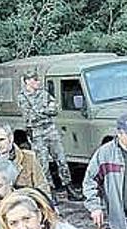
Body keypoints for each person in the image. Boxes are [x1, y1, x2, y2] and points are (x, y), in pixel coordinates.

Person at [16, 71, 83, 201]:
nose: (38, 82)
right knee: (43, 165)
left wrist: (43, 111)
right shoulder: (22, 97)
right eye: (34, 80)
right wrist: (45, 111)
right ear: (27, 82)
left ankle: (69, 188)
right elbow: (30, 115)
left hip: (50, 130)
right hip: (36, 133)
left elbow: (54, 109)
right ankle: (49, 192)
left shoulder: (44, 94)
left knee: (62, 160)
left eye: (37, 79)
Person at [0, 123, 50, 196]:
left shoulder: (29, 158)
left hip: (26, 204)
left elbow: (42, 187)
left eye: (2, 139)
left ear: (11, 138)